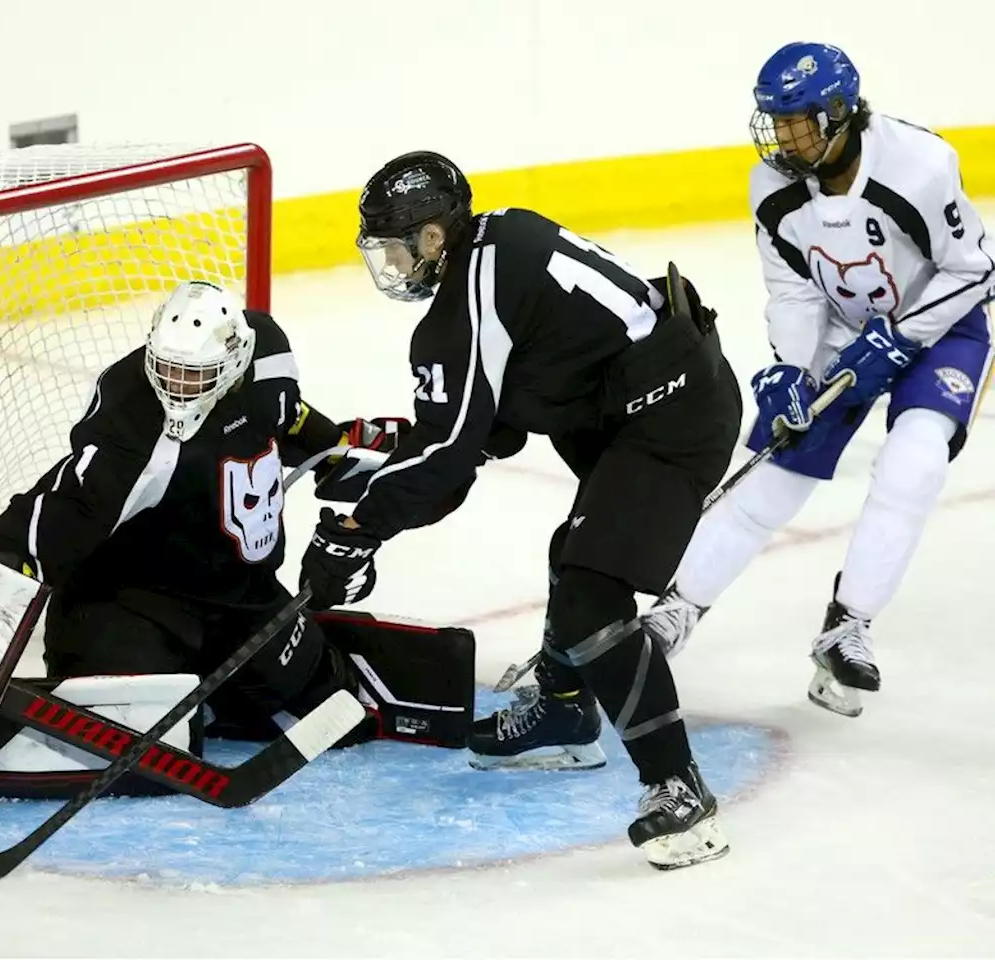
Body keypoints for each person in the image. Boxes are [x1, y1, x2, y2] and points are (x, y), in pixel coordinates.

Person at [296, 151, 744, 870]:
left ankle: (678, 789)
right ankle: (566, 711)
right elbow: (482, 431)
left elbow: (448, 462)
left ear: (435, 237)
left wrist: (355, 532)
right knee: (575, 554)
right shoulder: (498, 241)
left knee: (592, 600)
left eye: (394, 244)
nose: (387, 262)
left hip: (669, 416)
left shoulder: (462, 309)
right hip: (630, 401)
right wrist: (384, 470)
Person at [640, 42, 995, 718]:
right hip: (843, 329)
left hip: (943, 329)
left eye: (799, 122)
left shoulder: (918, 165)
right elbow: (795, 290)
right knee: (774, 467)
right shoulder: (771, 188)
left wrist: (901, 339)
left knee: (914, 465)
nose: (784, 138)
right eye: (776, 122)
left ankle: (848, 624)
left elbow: (974, 271)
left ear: (838, 114)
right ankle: (678, 609)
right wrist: (791, 368)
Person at [0, 279, 392, 744]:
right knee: (132, 730)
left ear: (233, 362)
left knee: (333, 708)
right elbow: (62, 510)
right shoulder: (134, 425)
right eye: (168, 370)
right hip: (135, 603)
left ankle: (218, 702)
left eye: (194, 374)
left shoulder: (270, 355)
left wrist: (336, 450)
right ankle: (181, 696)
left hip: (241, 595)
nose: (177, 387)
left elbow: (287, 413)